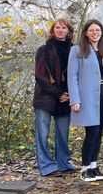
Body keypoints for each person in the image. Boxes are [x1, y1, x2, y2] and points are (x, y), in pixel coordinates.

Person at [68, 20, 103, 182]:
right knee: (91, 132)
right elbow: (72, 76)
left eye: (98, 30)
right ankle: (85, 168)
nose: (95, 33)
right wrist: (75, 99)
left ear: (102, 32)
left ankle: (93, 165)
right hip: (88, 98)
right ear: (85, 32)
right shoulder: (76, 50)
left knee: (99, 132)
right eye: (91, 30)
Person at [33, 18, 77, 177]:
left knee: (63, 132)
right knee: (42, 132)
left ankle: (63, 162)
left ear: (68, 31)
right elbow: (40, 76)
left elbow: (77, 74)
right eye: (57, 27)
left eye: (63, 27)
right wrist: (58, 94)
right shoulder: (43, 50)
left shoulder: (74, 50)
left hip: (67, 97)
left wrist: (71, 94)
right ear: (53, 30)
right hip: (45, 97)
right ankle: (47, 166)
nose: (60, 30)